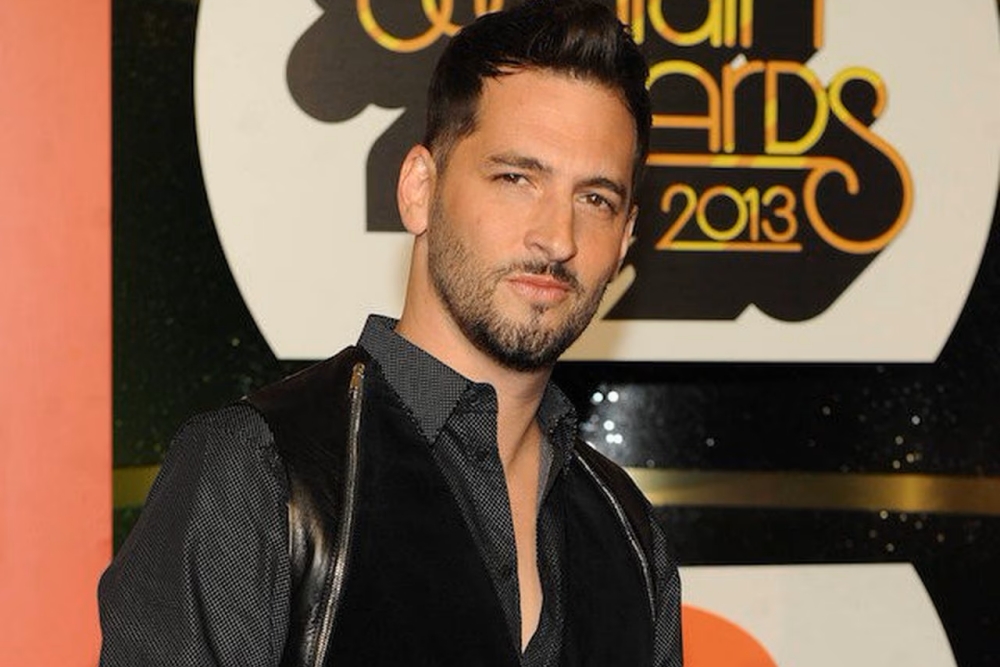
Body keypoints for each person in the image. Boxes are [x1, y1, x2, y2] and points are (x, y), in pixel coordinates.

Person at [98, 1, 683, 665]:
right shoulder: (258, 471)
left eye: (595, 198)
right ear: (419, 189)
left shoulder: (630, 535)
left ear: (626, 237)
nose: (557, 237)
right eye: (516, 178)